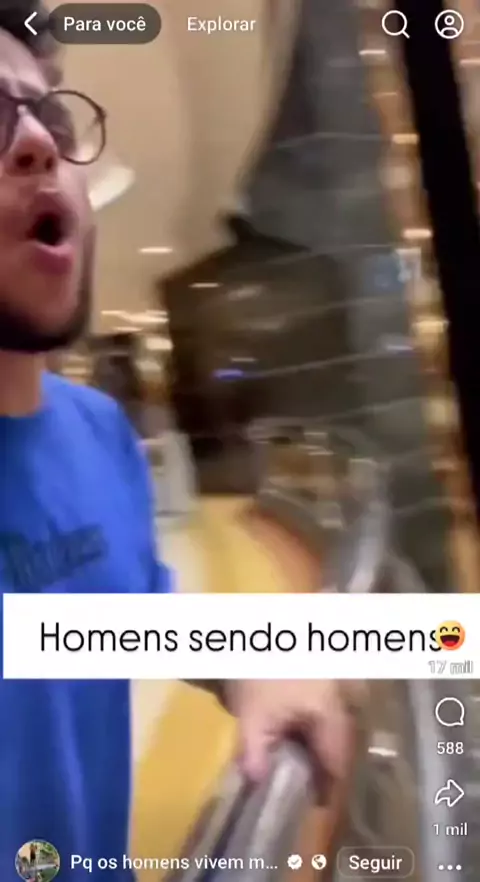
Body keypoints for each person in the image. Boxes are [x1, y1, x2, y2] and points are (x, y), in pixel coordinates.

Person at [0, 3, 354, 879]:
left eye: (50, 116)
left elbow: (131, 614)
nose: (37, 144)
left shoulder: (96, 433)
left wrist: (251, 667)